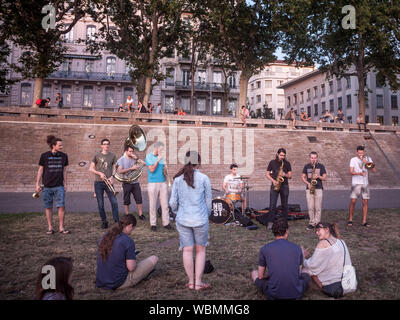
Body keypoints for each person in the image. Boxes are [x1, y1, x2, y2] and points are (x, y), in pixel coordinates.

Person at [169, 151, 212, 291]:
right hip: (200, 218)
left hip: (183, 218)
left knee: (187, 250)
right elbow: (208, 202)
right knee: (200, 250)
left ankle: (191, 282)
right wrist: (206, 215)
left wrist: (178, 213)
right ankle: (198, 283)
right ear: (198, 162)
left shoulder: (177, 179)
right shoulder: (204, 178)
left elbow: (172, 202)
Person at [251, 216, 310, 300]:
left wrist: (270, 274)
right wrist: (301, 256)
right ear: (286, 231)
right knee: (306, 271)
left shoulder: (265, 248)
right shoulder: (297, 248)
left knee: (254, 273)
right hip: (296, 294)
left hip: (273, 295)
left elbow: (260, 276)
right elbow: (298, 274)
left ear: (273, 232)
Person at [96, 215, 158, 290]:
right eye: (133, 228)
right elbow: (131, 268)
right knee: (154, 258)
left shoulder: (103, 238)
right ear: (130, 226)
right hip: (117, 282)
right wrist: (133, 257)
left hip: (101, 281)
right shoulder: (128, 241)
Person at [302, 222, 353, 297]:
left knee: (307, 270)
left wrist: (302, 258)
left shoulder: (323, 243)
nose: (317, 233)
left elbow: (311, 265)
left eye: (319, 230)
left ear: (326, 229)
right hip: (349, 284)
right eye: (316, 231)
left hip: (335, 288)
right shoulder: (341, 241)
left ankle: (321, 287)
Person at [35, 135, 70, 235]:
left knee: (61, 206)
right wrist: (37, 184)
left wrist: (65, 183)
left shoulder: (64, 156)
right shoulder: (44, 155)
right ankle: (50, 227)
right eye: (60, 145)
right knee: (48, 207)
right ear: (53, 145)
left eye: (62, 145)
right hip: (46, 186)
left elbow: (65, 170)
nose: (61, 147)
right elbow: (40, 170)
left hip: (59, 186)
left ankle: (61, 228)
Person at [89, 138, 119, 229]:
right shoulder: (96, 155)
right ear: (101, 145)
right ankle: (104, 221)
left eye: (108, 144)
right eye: (104, 144)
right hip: (98, 183)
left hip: (109, 182)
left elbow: (114, 168)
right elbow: (91, 168)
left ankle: (116, 221)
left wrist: (112, 176)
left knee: (114, 202)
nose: (106, 145)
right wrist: (99, 173)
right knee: (100, 204)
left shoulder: (113, 156)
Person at [145, 141, 172, 231]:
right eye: (160, 149)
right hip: (153, 183)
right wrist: (158, 160)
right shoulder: (149, 157)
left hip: (163, 182)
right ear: (155, 148)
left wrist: (165, 170)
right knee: (152, 204)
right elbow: (152, 170)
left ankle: (166, 223)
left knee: (165, 205)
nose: (161, 151)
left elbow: (164, 170)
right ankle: (153, 224)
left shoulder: (162, 157)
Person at [348, 145, 376, 227]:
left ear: (364, 152)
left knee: (365, 202)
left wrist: (366, 162)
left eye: (362, 153)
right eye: (359, 153)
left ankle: (364, 221)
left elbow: (374, 170)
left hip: (365, 183)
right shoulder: (353, 160)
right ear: (357, 152)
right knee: (353, 201)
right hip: (356, 183)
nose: (360, 154)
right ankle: (350, 219)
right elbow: (351, 172)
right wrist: (359, 173)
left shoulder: (368, 159)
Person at [116, 145, 146, 221]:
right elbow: (119, 171)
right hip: (126, 182)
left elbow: (144, 164)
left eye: (132, 151)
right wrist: (131, 168)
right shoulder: (121, 160)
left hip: (135, 182)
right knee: (126, 199)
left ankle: (140, 214)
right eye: (130, 151)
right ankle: (127, 214)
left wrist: (137, 158)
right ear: (126, 151)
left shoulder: (134, 158)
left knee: (139, 198)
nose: (131, 153)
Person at [301, 152, 327, 230]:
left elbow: (324, 178)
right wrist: (308, 183)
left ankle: (317, 223)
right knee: (310, 207)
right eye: (312, 158)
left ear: (317, 158)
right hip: (310, 188)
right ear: (310, 158)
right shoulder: (306, 166)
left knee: (318, 207)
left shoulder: (321, 166)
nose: (313, 159)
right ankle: (312, 223)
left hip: (318, 188)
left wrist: (318, 176)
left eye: (315, 158)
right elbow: (303, 177)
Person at [266, 148, 292, 224]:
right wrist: (273, 181)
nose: (282, 157)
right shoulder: (272, 162)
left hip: (284, 186)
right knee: (272, 205)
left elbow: (290, 176)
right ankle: (270, 222)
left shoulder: (287, 163)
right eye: (281, 155)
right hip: (275, 185)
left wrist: (285, 174)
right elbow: (267, 174)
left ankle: (284, 222)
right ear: (277, 154)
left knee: (285, 205)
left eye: (284, 155)